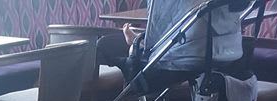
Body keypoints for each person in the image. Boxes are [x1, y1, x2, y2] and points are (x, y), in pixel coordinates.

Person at [97, 0, 247, 90]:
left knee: (105, 45)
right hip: (226, 53)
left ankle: (135, 46)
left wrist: (141, 44)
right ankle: (137, 44)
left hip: (182, 60)